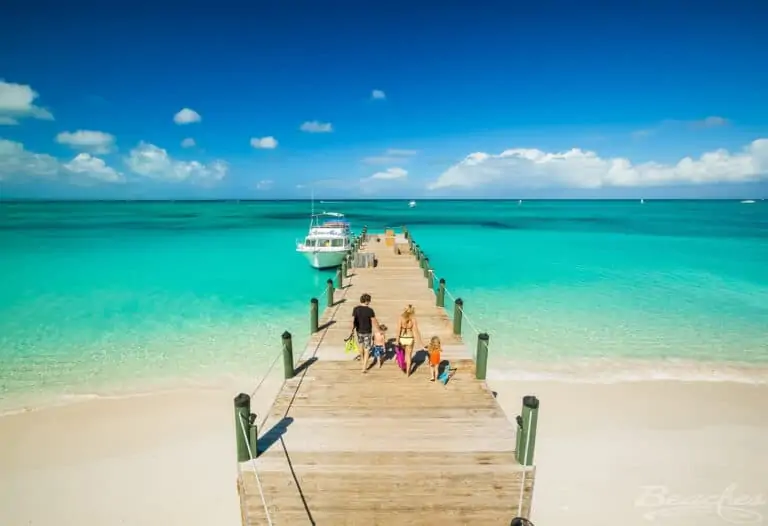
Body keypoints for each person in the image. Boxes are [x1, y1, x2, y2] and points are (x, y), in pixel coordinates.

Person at [349, 293, 381, 373]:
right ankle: (364, 368)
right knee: (367, 349)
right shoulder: (370, 310)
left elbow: (353, 321)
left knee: (361, 346)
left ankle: (362, 360)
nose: (369, 302)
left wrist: (351, 330)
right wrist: (379, 329)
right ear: (367, 301)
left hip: (359, 331)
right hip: (367, 331)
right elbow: (374, 321)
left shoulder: (355, 309)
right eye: (369, 301)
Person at [396, 304, 423, 377]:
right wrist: (420, 342)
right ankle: (408, 372)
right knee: (409, 356)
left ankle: (403, 366)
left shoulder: (401, 318)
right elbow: (416, 330)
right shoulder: (413, 319)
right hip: (410, 338)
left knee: (403, 353)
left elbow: (398, 330)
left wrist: (397, 340)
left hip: (402, 337)